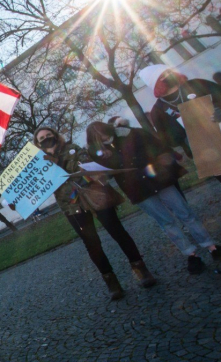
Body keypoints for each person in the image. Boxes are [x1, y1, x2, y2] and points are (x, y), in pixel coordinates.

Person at [86, 122, 221, 274]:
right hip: (137, 190)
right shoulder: (97, 152)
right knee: (166, 222)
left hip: (158, 179)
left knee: (185, 213)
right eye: (96, 138)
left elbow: (157, 147)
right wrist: (102, 168)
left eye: (101, 134)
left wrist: (162, 162)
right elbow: (108, 173)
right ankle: (191, 254)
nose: (101, 139)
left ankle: (212, 247)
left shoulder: (132, 133)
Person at [32, 127, 155, 300]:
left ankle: (141, 269)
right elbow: (37, 187)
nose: (46, 139)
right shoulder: (39, 164)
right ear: (37, 144)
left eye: (48, 135)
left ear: (55, 136)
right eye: (42, 138)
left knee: (118, 232)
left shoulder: (73, 149)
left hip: (94, 196)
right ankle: (111, 282)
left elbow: (85, 166)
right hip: (71, 205)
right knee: (92, 244)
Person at [138, 64, 221, 195]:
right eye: (164, 75)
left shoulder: (197, 84)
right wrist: (183, 131)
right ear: (155, 83)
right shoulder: (159, 111)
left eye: (170, 71)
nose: (170, 74)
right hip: (209, 153)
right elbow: (169, 140)